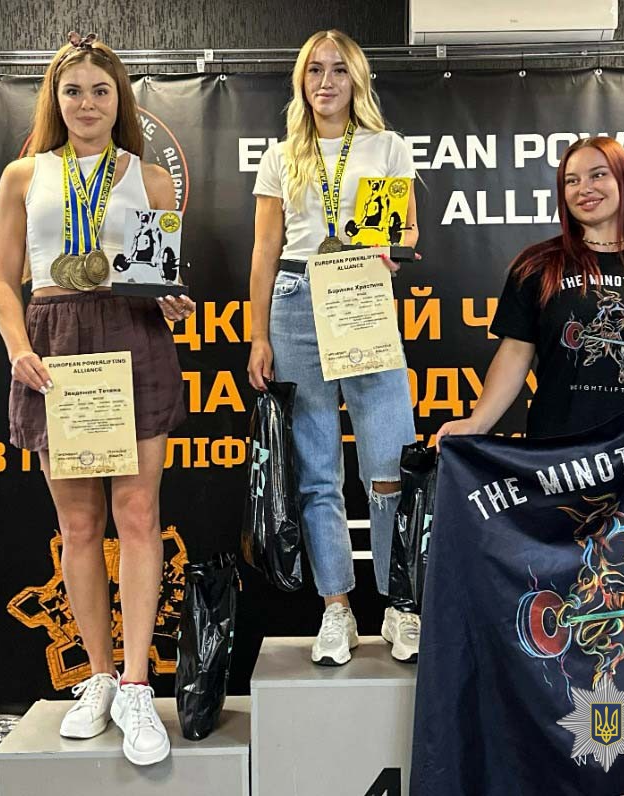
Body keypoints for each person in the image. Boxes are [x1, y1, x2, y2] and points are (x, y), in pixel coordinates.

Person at [435, 136, 624, 796]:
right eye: (572, 180)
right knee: (574, 615)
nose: (585, 189)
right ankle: (576, 755)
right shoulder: (538, 266)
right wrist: (476, 424)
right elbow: (515, 356)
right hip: (560, 466)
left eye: (598, 175)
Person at [0, 31, 195, 767]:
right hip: (54, 340)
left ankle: (137, 683)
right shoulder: (24, 175)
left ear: (119, 100)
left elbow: (160, 279)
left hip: (131, 334)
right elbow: (1, 279)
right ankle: (99, 676)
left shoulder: (151, 179)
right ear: (56, 99)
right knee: (78, 525)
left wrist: (171, 302)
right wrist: (18, 347)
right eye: (73, 90)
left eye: (100, 91)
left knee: (138, 516)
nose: (86, 103)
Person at [247, 30, 422, 665]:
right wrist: (258, 333)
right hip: (295, 299)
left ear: (357, 80)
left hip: (361, 294)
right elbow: (265, 250)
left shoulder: (386, 146)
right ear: (301, 81)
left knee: (389, 465)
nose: (326, 82)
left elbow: (407, 229)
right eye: (315, 70)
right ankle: (336, 609)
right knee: (317, 470)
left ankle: (401, 605)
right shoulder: (281, 155)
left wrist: (391, 249)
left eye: (339, 70)